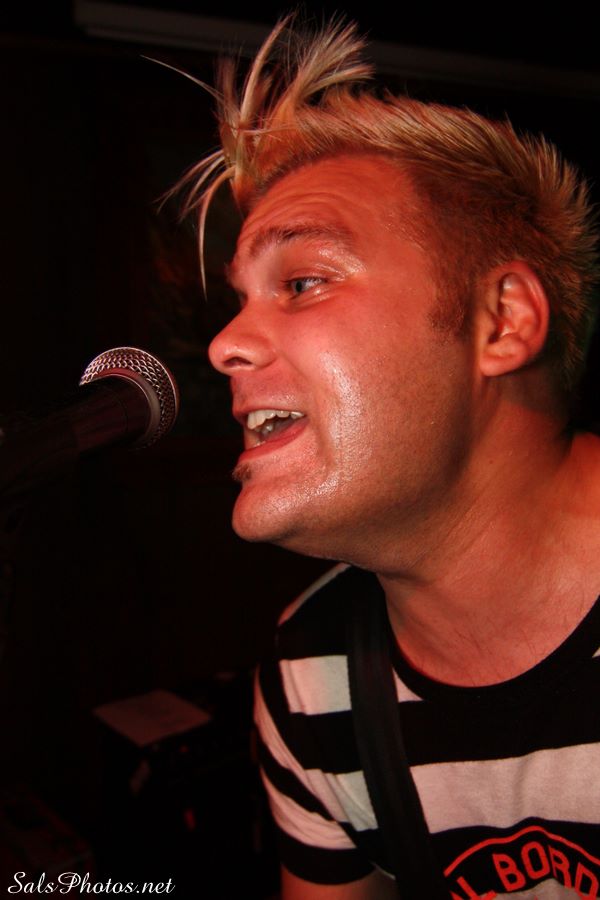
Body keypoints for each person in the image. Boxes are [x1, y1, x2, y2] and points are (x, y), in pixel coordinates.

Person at [180, 16, 600, 898]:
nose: (225, 345)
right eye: (240, 302)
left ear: (501, 322)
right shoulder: (311, 679)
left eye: (303, 282)